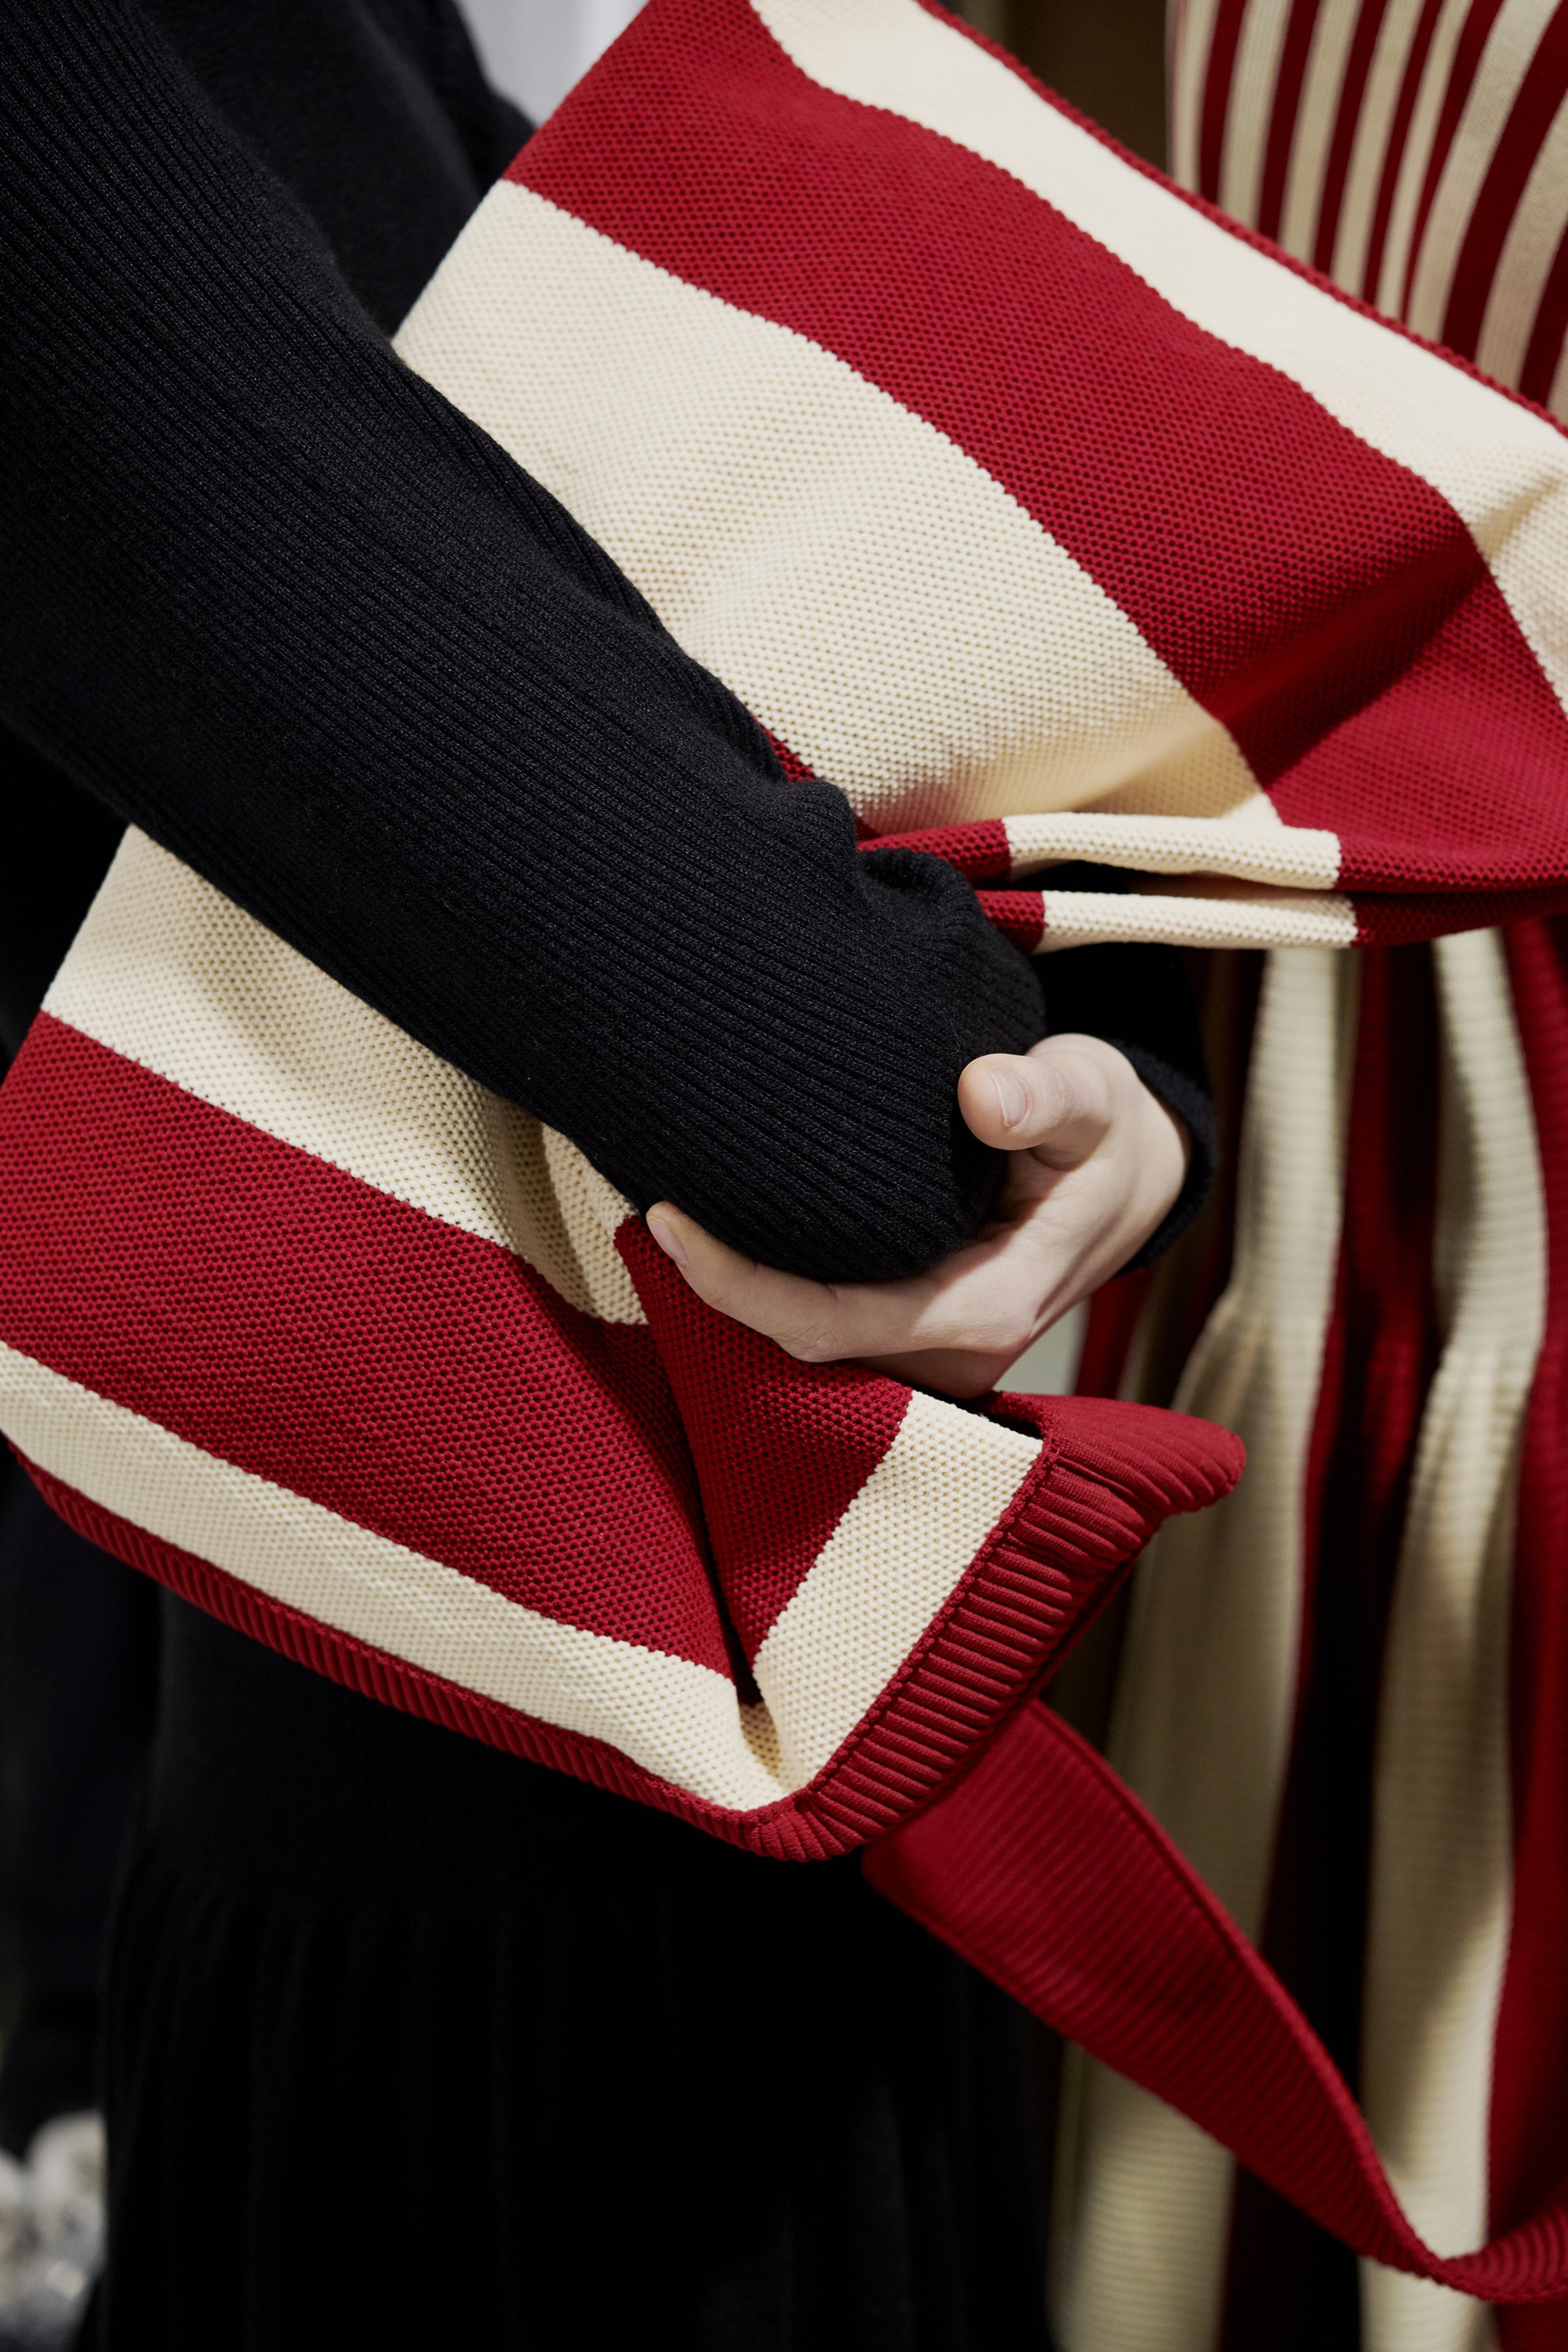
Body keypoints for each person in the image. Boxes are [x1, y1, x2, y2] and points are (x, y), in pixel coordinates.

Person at [0, 5, 1214, 2342]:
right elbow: (818, 1078)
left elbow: (917, 695)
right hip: (474, 1945)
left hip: (745, 1846)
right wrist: (1020, 1043)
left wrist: (1100, 1063)